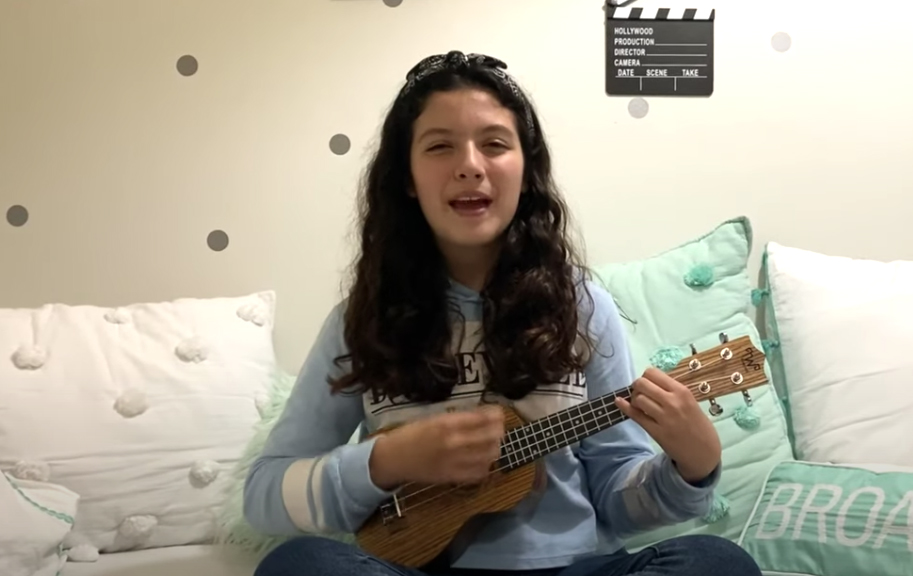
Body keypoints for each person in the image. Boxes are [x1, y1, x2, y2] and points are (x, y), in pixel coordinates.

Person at [243, 50, 762, 576]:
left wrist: (691, 469)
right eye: (440, 146)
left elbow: (616, 497)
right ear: (407, 177)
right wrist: (388, 460)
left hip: (576, 569)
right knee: (297, 565)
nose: (470, 165)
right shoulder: (360, 320)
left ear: (527, 169)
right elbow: (264, 495)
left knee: (717, 563)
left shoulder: (581, 306)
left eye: (494, 144)